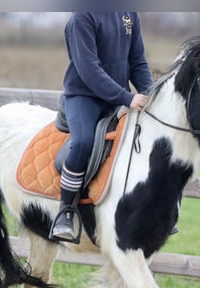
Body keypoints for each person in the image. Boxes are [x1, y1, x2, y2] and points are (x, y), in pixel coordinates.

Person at [49, 12, 153, 243]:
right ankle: (66, 210)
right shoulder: (82, 18)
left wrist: (150, 92)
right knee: (84, 142)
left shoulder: (129, 14)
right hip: (84, 97)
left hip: (116, 99)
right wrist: (126, 97)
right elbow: (89, 70)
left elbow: (137, 61)